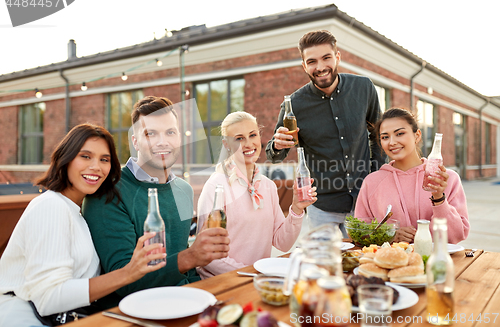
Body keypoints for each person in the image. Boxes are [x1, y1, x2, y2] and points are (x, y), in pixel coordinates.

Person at [0, 124, 165, 326]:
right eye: (85, 156)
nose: (96, 166)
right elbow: (48, 298)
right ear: (66, 159)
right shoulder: (51, 206)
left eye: (104, 159)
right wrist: (128, 272)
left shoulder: (77, 210)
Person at [83, 96, 230, 308]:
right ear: (135, 141)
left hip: (185, 302)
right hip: (132, 313)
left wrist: (207, 299)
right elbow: (121, 281)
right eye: (151, 133)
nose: (163, 142)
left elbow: (186, 269)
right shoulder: (108, 192)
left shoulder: (183, 190)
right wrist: (190, 257)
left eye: (170, 132)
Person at [266, 29, 384, 236]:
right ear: (304, 66)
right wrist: (277, 146)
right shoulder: (293, 105)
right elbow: (275, 155)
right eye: (312, 62)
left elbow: (379, 136)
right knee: (324, 266)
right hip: (321, 206)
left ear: (337, 57)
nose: (320, 67)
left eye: (326, 58)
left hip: (363, 201)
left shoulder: (364, 88)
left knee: (362, 264)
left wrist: (375, 177)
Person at [197, 112, 317, 278]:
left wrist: (296, 209)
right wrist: (253, 273)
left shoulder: (268, 186)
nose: (248, 143)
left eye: (252, 135)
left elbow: (283, 243)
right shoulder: (215, 186)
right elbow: (208, 256)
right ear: (227, 145)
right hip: (224, 282)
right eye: (239, 138)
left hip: (257, 280)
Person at [354, 107, 470, 243]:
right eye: (385, 137)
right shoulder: (372, 182)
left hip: (435, 262)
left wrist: (439, 198)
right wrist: (389, 235)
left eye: (400, 133)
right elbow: (358, 234)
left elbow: (455, 236)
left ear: (417, 135)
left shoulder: (446, 178)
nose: (391, 142)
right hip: (389, 263)